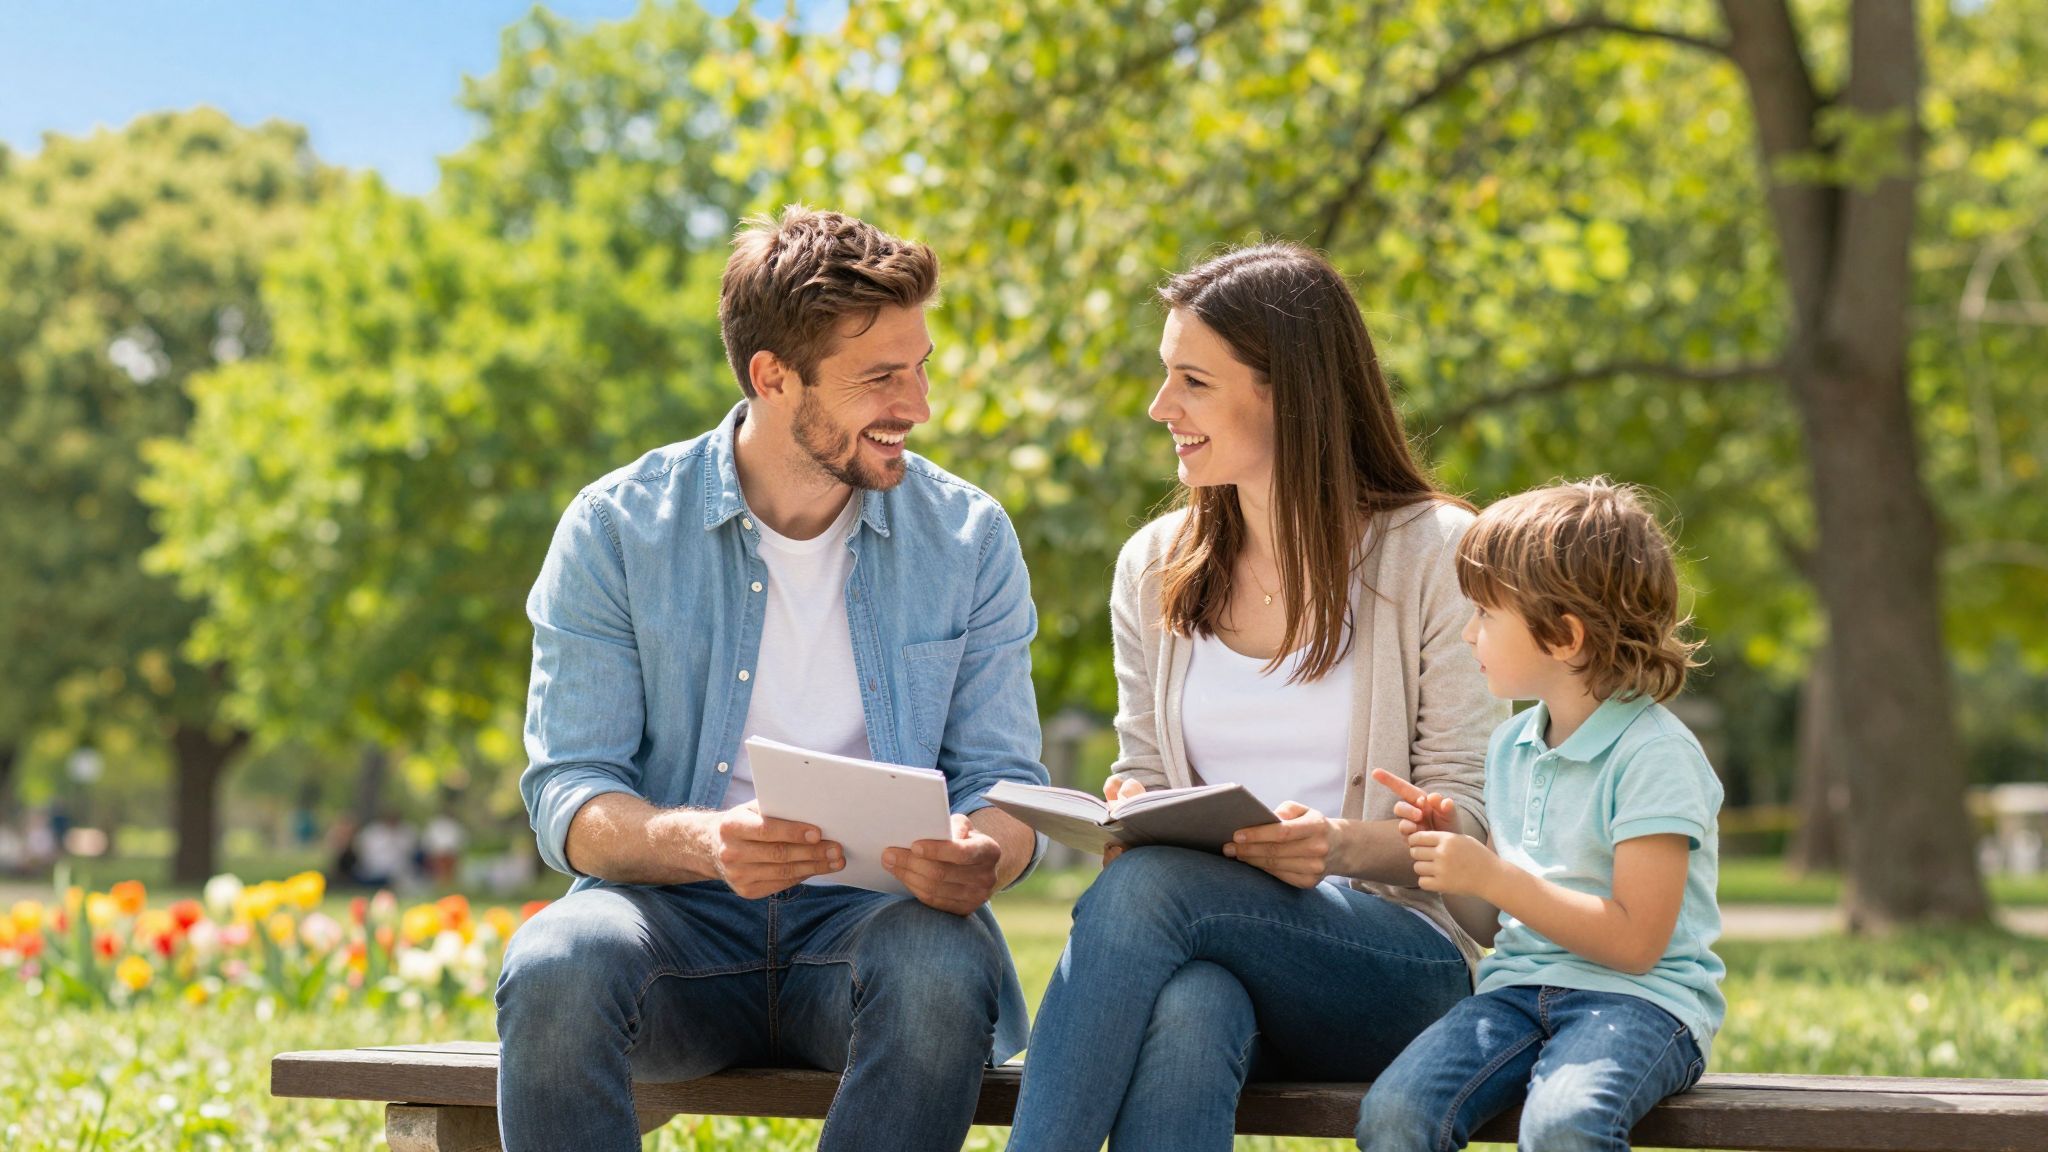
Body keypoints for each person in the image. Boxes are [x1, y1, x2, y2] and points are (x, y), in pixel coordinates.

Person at [496, 206, 1049, 1152]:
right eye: (881, 376)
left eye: (919, 368)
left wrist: (984, 853)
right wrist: (711, 843)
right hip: (673, 928)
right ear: (772, 376)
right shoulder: (617, 530)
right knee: (556, 960)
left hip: (872, 932)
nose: (917, 405)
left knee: (940, 969)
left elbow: (1009, 787)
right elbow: (571, 796)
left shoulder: (970, 539)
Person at [1006, 242, 1504, 1152]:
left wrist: (1332, 846)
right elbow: (1145, 770)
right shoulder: (1154, 565)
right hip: (1213, 955)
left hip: (1400, 965)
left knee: (1158, 889)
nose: (1162, 409)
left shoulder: (1438, 554)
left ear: (1289, 390)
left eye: (1192, 381)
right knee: (1193, 1008)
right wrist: (1130, 805)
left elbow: (1471, 827)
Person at [1357, 478, 1723, 1152]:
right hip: (1517, 993)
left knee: (1565, 1126)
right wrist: (1458, 865)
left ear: (1563, 636)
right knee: (1396, 1111)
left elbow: (1636, 943)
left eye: (1485, 616)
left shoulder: (1656, 756)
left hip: (1641, 1005)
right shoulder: (1511, 746)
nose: (1468, 635)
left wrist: (1495, 877)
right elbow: (1498, 929)